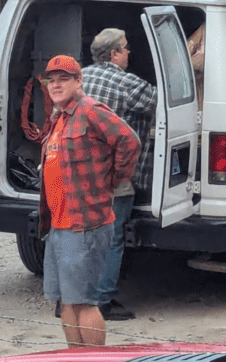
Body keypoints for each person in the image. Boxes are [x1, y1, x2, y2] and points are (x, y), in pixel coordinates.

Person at [39, 55, 140, 347]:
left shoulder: (90, 110)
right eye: (51, 80)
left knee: (84, 302)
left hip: (84, 224)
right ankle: (76, 356)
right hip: (58, 224)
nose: (56, 85)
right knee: (66, 303)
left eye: (64, 79)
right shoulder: (58, 116)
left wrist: (113, 179)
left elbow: (128, 141)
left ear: (79, 81)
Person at [80, 28, 156, 321]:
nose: (129, 53)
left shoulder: (79, 78)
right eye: (125, 49)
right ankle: (102, 301)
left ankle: (73, 298)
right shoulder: (128, 84)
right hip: (113, 176)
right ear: (113, 53)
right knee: (111, 238)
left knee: (80, 235)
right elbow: (169, 104)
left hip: (79, 173)